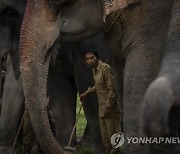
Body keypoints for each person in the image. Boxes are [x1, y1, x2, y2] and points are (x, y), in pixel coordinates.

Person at [80, 47, 122, 154]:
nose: (90, 60)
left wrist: (108, 107)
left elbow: (112, 89)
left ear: (97, 57)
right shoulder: (94, 70)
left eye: (92, 58)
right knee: (105, 140)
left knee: (114, 138)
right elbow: (98, 86)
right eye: (87, 59)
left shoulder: (105, 69)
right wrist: (87, 92)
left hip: (110, 108)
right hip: (102, 109)